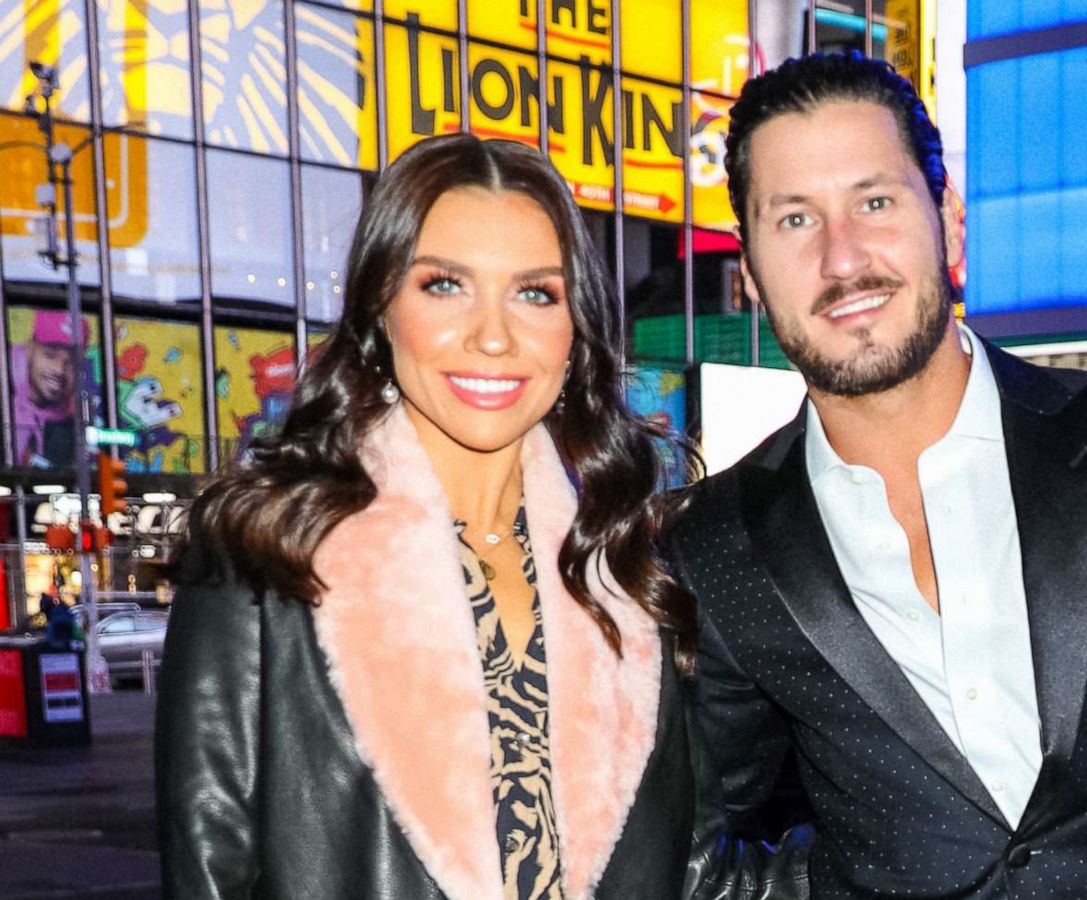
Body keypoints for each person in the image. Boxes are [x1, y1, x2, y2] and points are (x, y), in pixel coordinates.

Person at [668, 53, 1087, 898]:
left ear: (948, 221)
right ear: (751, 270)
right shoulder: (720, 543)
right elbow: (690, 848)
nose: (843, 260)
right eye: (795, 220)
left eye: (875, 202)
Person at [156, 134, 792, 900]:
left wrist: (915, 855)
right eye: (445, 285)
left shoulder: (627, 574)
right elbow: (211, 875)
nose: (493, 336)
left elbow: (695, 877)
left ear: (573, 329)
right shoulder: (261, 556)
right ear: (381, 307)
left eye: (534, 293)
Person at [11, 310, 82, 469]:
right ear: (29, 349)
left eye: (70, 362)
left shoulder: (72, 431)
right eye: (49, 355)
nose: (59, 370)